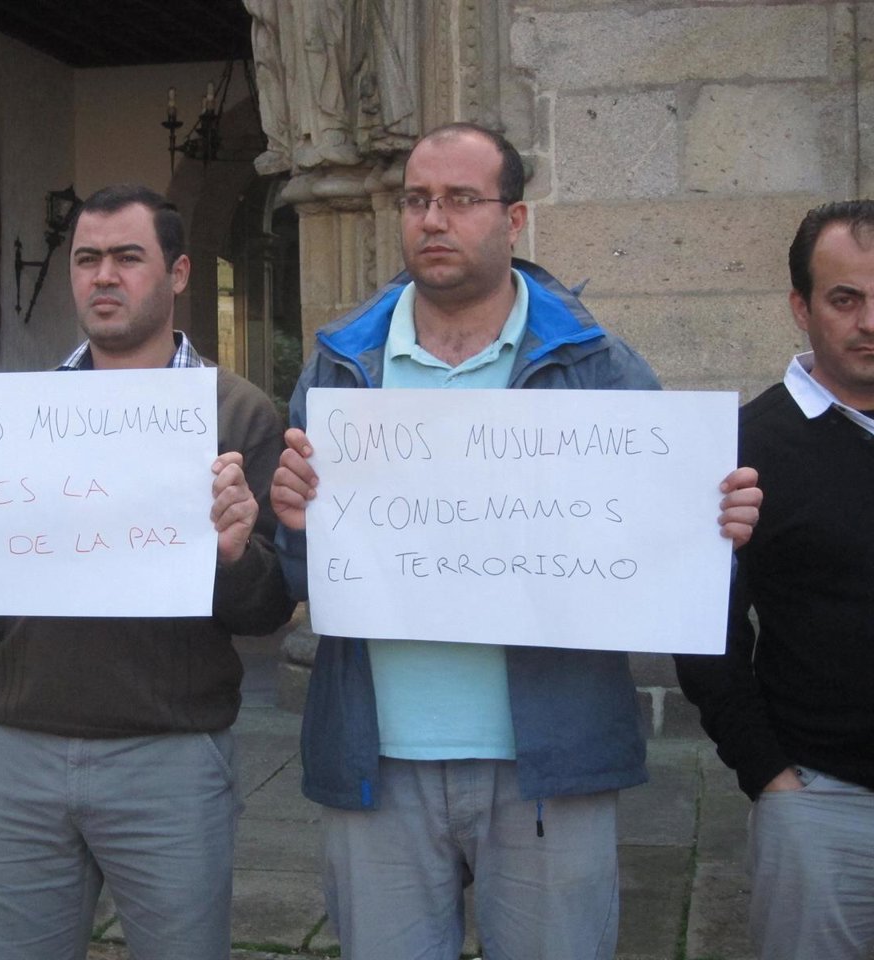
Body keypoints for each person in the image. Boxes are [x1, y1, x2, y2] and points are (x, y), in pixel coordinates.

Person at [269, 122, 762, 960]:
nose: (434, 219)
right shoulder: (340, 368)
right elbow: (303, 575)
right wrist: (291, 522)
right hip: (375, 758)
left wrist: (718, 528)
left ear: (515, 217)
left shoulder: (599, 365)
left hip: (549, 760)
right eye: (417, 199)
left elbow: (658, 547)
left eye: (461, 199)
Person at [0, 185, 297, 960]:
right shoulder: (12, 414)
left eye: (127, 258)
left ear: (177, 273)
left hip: (167, 754)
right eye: (87, 259)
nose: (104, 276)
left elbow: (269, 606)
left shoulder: (236, 411)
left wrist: (234, 554)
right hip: (16, 748)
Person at [675, 200, 874, 960]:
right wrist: (770, 778)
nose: (867, 321)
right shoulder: (743, 448)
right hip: (824, 804)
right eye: (844, 298)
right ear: (801, 307)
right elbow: (705, 633)